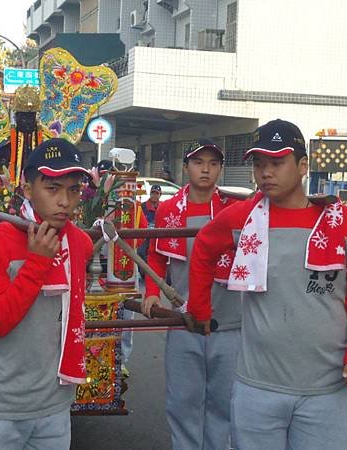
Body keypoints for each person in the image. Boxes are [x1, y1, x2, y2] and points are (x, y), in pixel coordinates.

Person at [187, 119, 347, 450]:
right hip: (257, 388)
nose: (265, 173)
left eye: (277, 163)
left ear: (303, 166)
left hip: (328, 391)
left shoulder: (341, 222)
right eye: (259, 164)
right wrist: (200, 309)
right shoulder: (243, 218)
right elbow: (204, 247)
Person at [0, 138, 93, 450]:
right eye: (52, 188)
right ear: (26, 188)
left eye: (73, 190)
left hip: (55, 403)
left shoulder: (79, 243)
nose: (65, 201)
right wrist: (37, 262)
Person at [142, 139, 241, 450]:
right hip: (183, 319)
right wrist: (152, 292)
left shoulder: (235, 210)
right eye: (199, 163)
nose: (205, 170)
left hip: (228, 322)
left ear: (221, 169)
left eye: (213, 163)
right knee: (182, 401)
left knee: (223, 403)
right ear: (186, 167)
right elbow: (157, 255)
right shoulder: (170, 209)